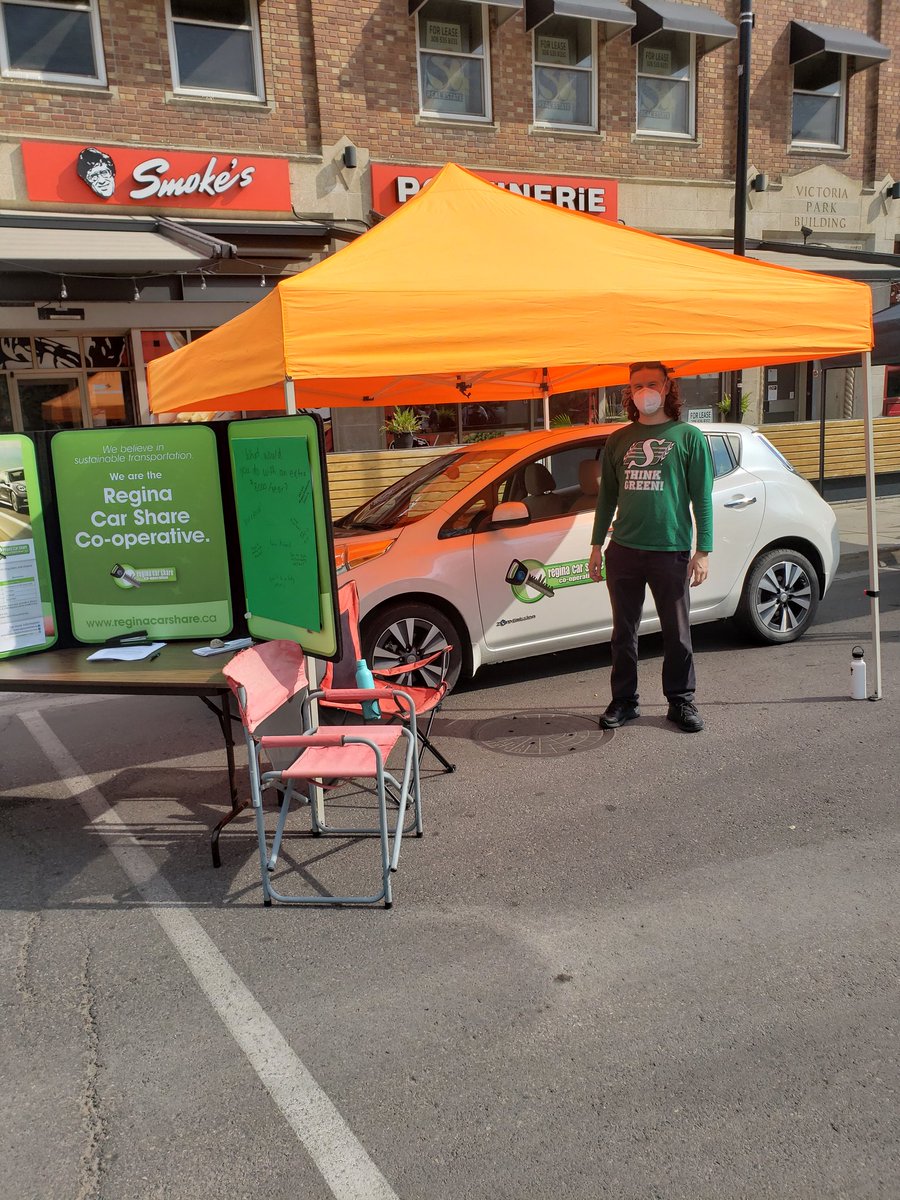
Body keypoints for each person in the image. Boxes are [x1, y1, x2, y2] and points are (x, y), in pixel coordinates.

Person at [588, 362, 713, 733]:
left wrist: (702, 550)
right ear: (630, 392)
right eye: (637, 386)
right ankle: (624, 701)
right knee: (622, 633)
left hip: (670, 549)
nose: (645, 392)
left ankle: (681, 701)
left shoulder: (688, 436)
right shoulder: (618, 440)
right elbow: (606, 498)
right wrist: (597, 546)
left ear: (667, 386)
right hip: (624, 549)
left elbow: (701, 497)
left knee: (677, 632)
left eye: (652, 384)